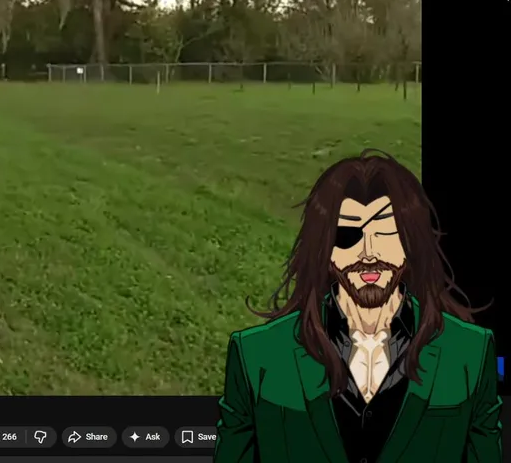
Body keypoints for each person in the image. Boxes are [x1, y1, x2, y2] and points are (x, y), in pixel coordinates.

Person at [213, 150, 501, 463]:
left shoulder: (469, 354)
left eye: (386, 232)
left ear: (411, 243)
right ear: (324, 248)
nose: (368, 252)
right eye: (349, 235)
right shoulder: (258, 357)